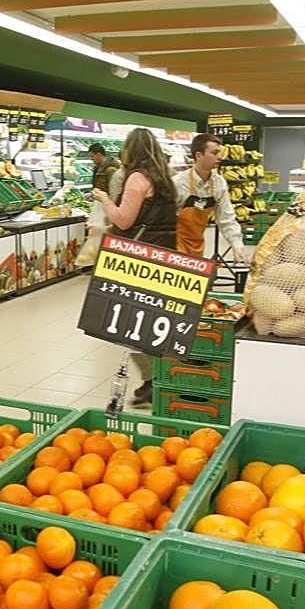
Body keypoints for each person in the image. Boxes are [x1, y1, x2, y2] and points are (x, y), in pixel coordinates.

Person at [91, 128, 178, 406]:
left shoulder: (137, 178)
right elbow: (149, 219)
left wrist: (104, 200)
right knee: (156, 319)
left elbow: (126, 220)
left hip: (139, 259)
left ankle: (154, 381)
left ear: (131, 150)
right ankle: (162, 377)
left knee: (131, 323)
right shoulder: (165, 178)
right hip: (164, 254)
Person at [173, 133, 250, 266]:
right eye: (214, 153)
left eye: (219, 152)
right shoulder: (178, 183)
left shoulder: (219, 183)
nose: (220, 157)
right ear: (198, 155)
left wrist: (237, 244)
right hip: (174, 243)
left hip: (197, 242)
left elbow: (226, 218)